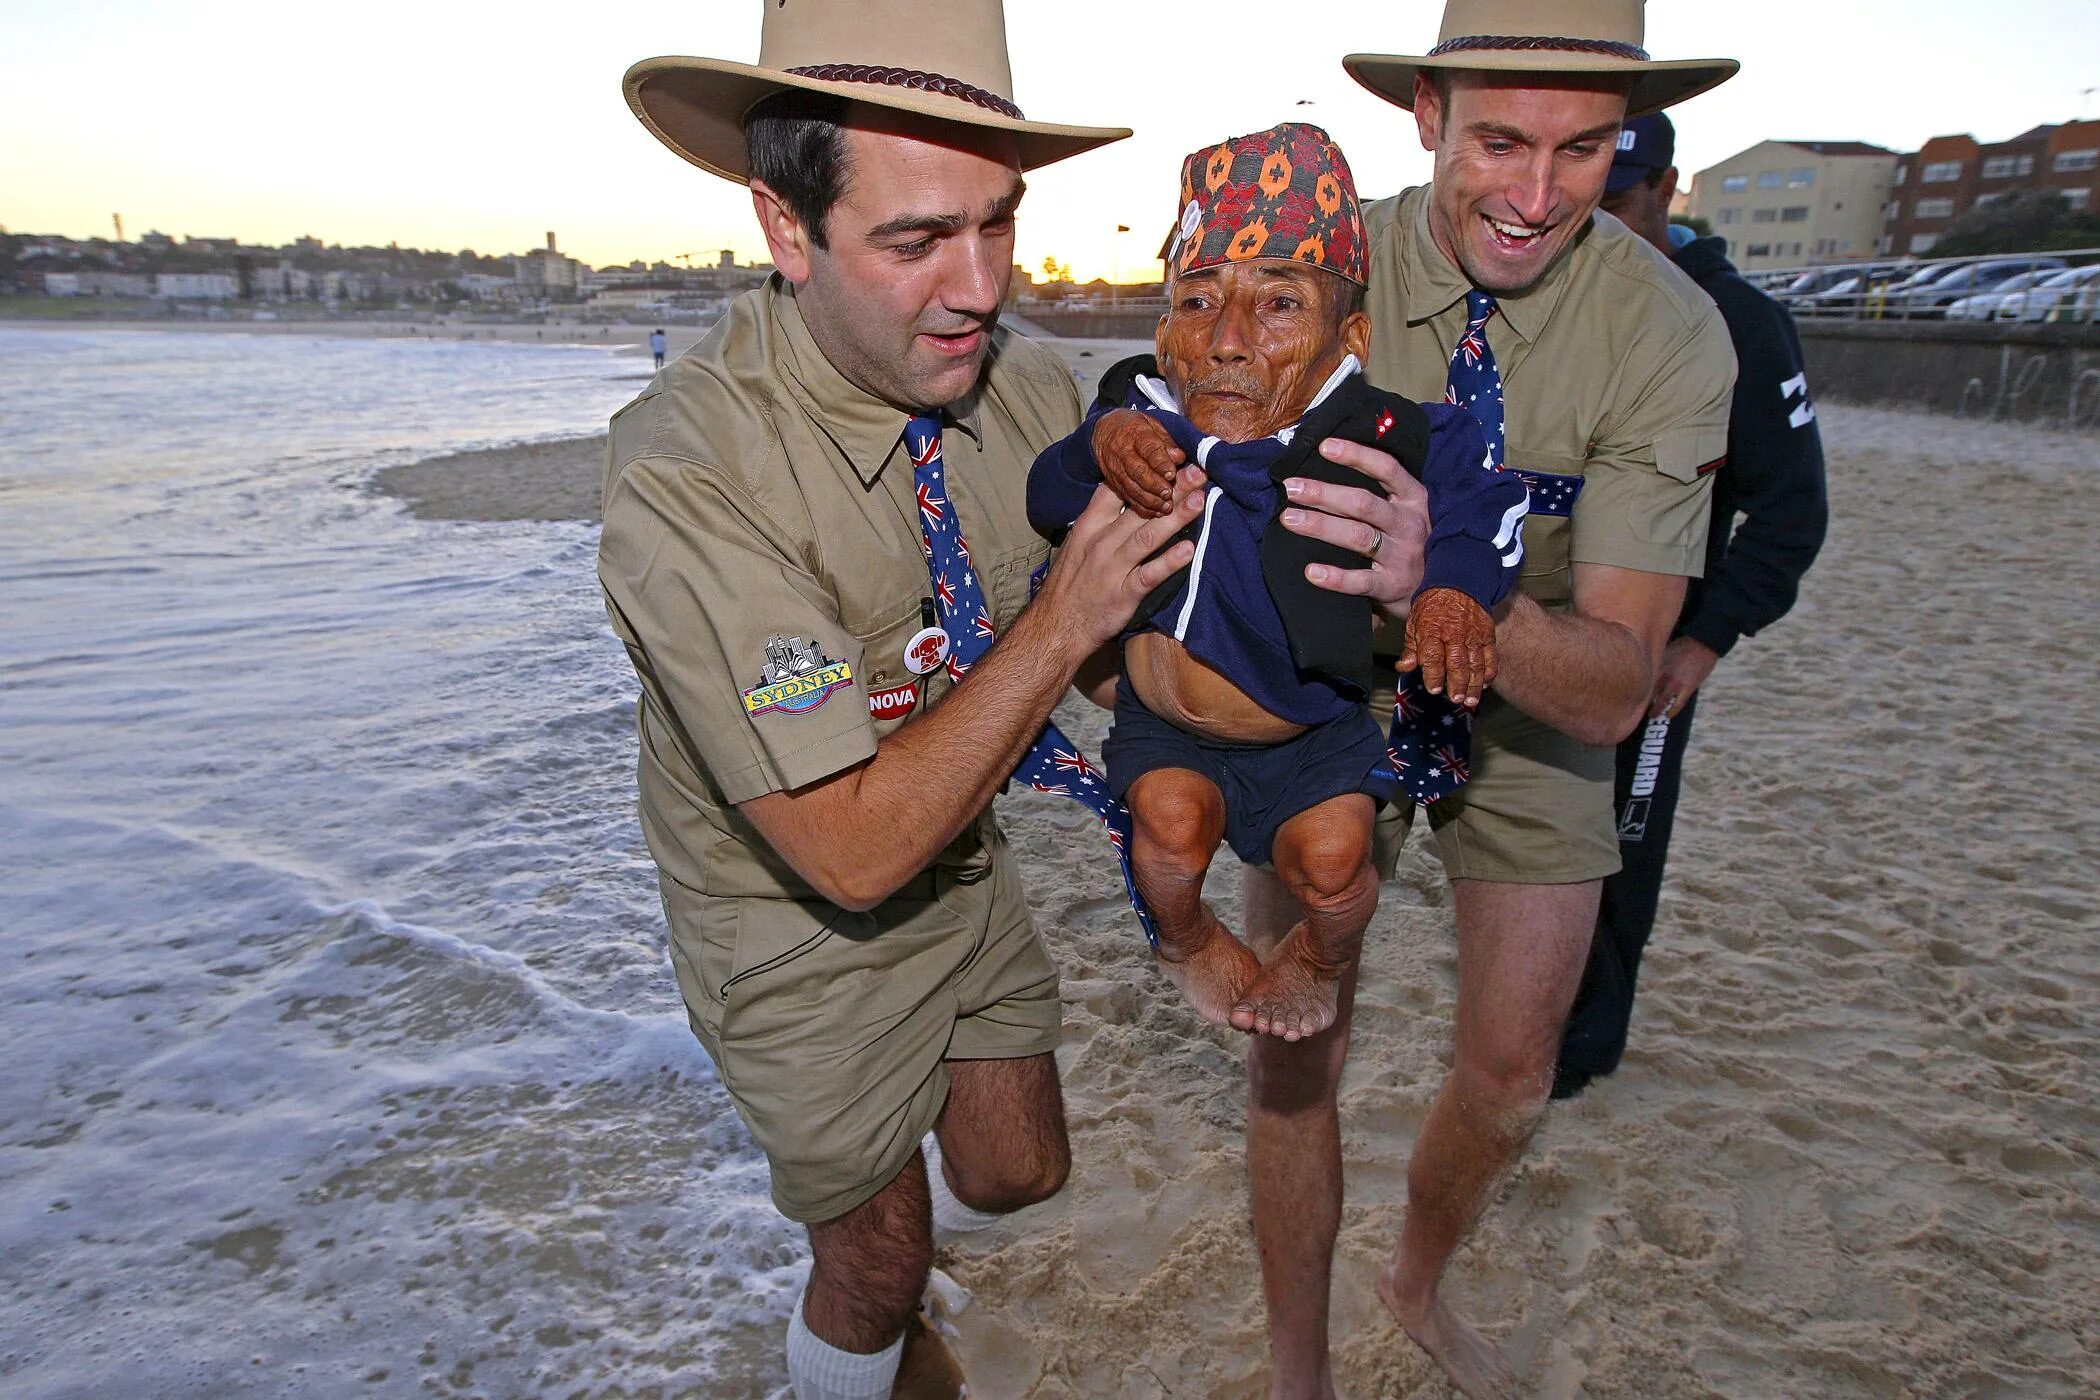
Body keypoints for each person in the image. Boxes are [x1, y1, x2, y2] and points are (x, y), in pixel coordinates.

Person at [598, 5, 1198, 1395]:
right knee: (876, 1264)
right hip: (792, 905)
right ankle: (858, 1331)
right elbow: (852, 850)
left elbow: (1124, 649)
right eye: (919, 240)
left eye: (998, 222)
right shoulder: (686, 475)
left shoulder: (1023, 380)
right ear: (787, 229)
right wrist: (1064, 623)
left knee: (1018, 1168)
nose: (983, 287)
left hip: (957, 830)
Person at [1236, 4, 1742, 1396]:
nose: (1534, 197)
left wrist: (1446, 587)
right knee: (1295, 1048)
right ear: (1425, 119)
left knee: (1516, 1079)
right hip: (1327, 684)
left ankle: (1412, 1277)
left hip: (1537, 672)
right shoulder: (1315, 270)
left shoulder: (1673, 336)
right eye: (1500, 141)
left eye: (1585, 150)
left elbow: (1618, 684)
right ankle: (1299, 1372)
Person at [1026, 123, 1526, 1043]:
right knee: (1167, 842)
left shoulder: (1389, 432)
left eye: (1280, 304)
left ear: (1352, 335)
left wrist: (1450, 590)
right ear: (1163, 321)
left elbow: (1484, 510)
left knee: (1336, 871)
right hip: (1161, 722)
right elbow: (1044, 491)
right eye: (1196, 302)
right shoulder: (1144, 414)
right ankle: (1184, 941)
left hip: (1312, 730)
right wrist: (1098, 445)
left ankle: (1323, 958)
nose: (1227, 341)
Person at [1553, 112, 1829, 1098]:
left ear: (1667, 190)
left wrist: (1706, 640)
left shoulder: (1739, 323)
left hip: (1655, 647)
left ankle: (1581, 1055)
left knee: (1618, 846)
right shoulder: (1554, 295)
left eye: (1620, 200)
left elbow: (1792, 509)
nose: (1596, 220)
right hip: (1539, 633)